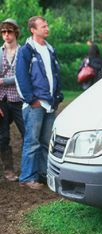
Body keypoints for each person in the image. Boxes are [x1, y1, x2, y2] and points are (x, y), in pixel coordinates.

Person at [15, 16, 63, 190]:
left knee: (45, 142)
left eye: (47, 25)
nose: (47, 28)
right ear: (33, 30)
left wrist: (58, 95)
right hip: (35, 105)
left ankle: (43, 174)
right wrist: (31, 99)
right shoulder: (26, 50)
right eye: (43, 26)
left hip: (50, 104)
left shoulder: (50, 49)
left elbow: (56, 74)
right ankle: (27, 177)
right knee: (32, 142)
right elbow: (21, 77)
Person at [0, 18, 24, 182]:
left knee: (28, 135)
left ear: (15, 32)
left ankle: (29, 169)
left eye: (9, 31)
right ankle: (9, 170)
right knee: (3, 137)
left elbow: (23, 76)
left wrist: (4, 80)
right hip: (1, 100)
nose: (6, 35)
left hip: (19, 100)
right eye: (3, 32)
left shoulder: (23, 52)